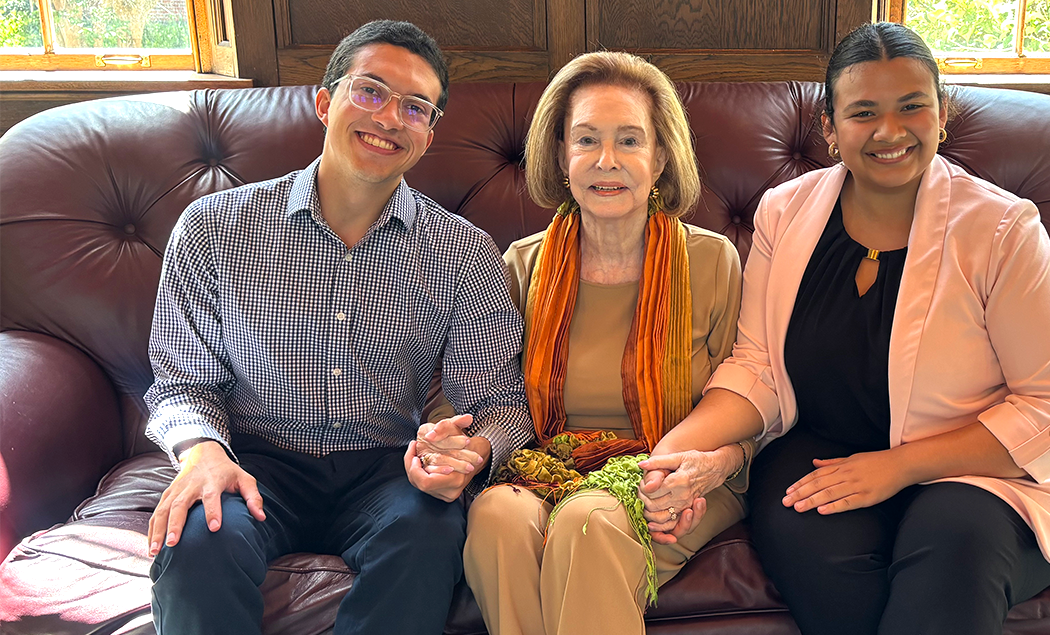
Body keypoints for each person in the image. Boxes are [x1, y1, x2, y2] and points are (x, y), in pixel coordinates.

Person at [645, 22, 1050, 635]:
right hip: (822, 449)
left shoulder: (1001, 229)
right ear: (831, 130)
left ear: (942, 115)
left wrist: (897, 466)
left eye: (911, 107)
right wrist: (675, 452)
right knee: (813, 550)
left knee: (953, 542)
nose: (890, 131)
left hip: (980, 470)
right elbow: (756, 366)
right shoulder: (784, 213)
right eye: (864, 112)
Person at [142, 20, 533, 635]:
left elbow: (498, 405)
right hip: (253, 458)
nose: (388, 118)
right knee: (198, 534)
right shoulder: (214, 228)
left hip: (386, 464)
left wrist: (469, 450)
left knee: (428, 532)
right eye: (370, 92)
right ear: (325, 103)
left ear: (428, 135)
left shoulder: (462, 252)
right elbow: (180, 381)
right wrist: (201, 453)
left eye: (415, 107)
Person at [456, 51, 752, 635]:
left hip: (679, 476)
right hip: (551, 465)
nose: (606, 161)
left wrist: (715, 465)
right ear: (561, 155)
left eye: (629, 141)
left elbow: (754, 396)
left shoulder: (712, 261)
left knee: (585, 523)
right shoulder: (522, 266)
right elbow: (487, 397)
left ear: (661, 156)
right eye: (586, 140)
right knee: (495, 516)